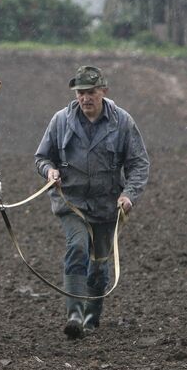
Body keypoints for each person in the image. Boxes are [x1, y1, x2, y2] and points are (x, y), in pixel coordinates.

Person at [35, 65, 149, 339]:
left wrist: (128, 195)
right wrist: (49, 171)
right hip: (71, 202)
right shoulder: (60, 121)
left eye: (91, 92)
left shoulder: (122, 122)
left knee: (99, 265)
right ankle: (74, 313)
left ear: (103, 91)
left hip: (107, 206)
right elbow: (42, 157)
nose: (85, 98)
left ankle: (91, 317)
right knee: (77, 247)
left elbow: (139, 164)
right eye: (81, 93)